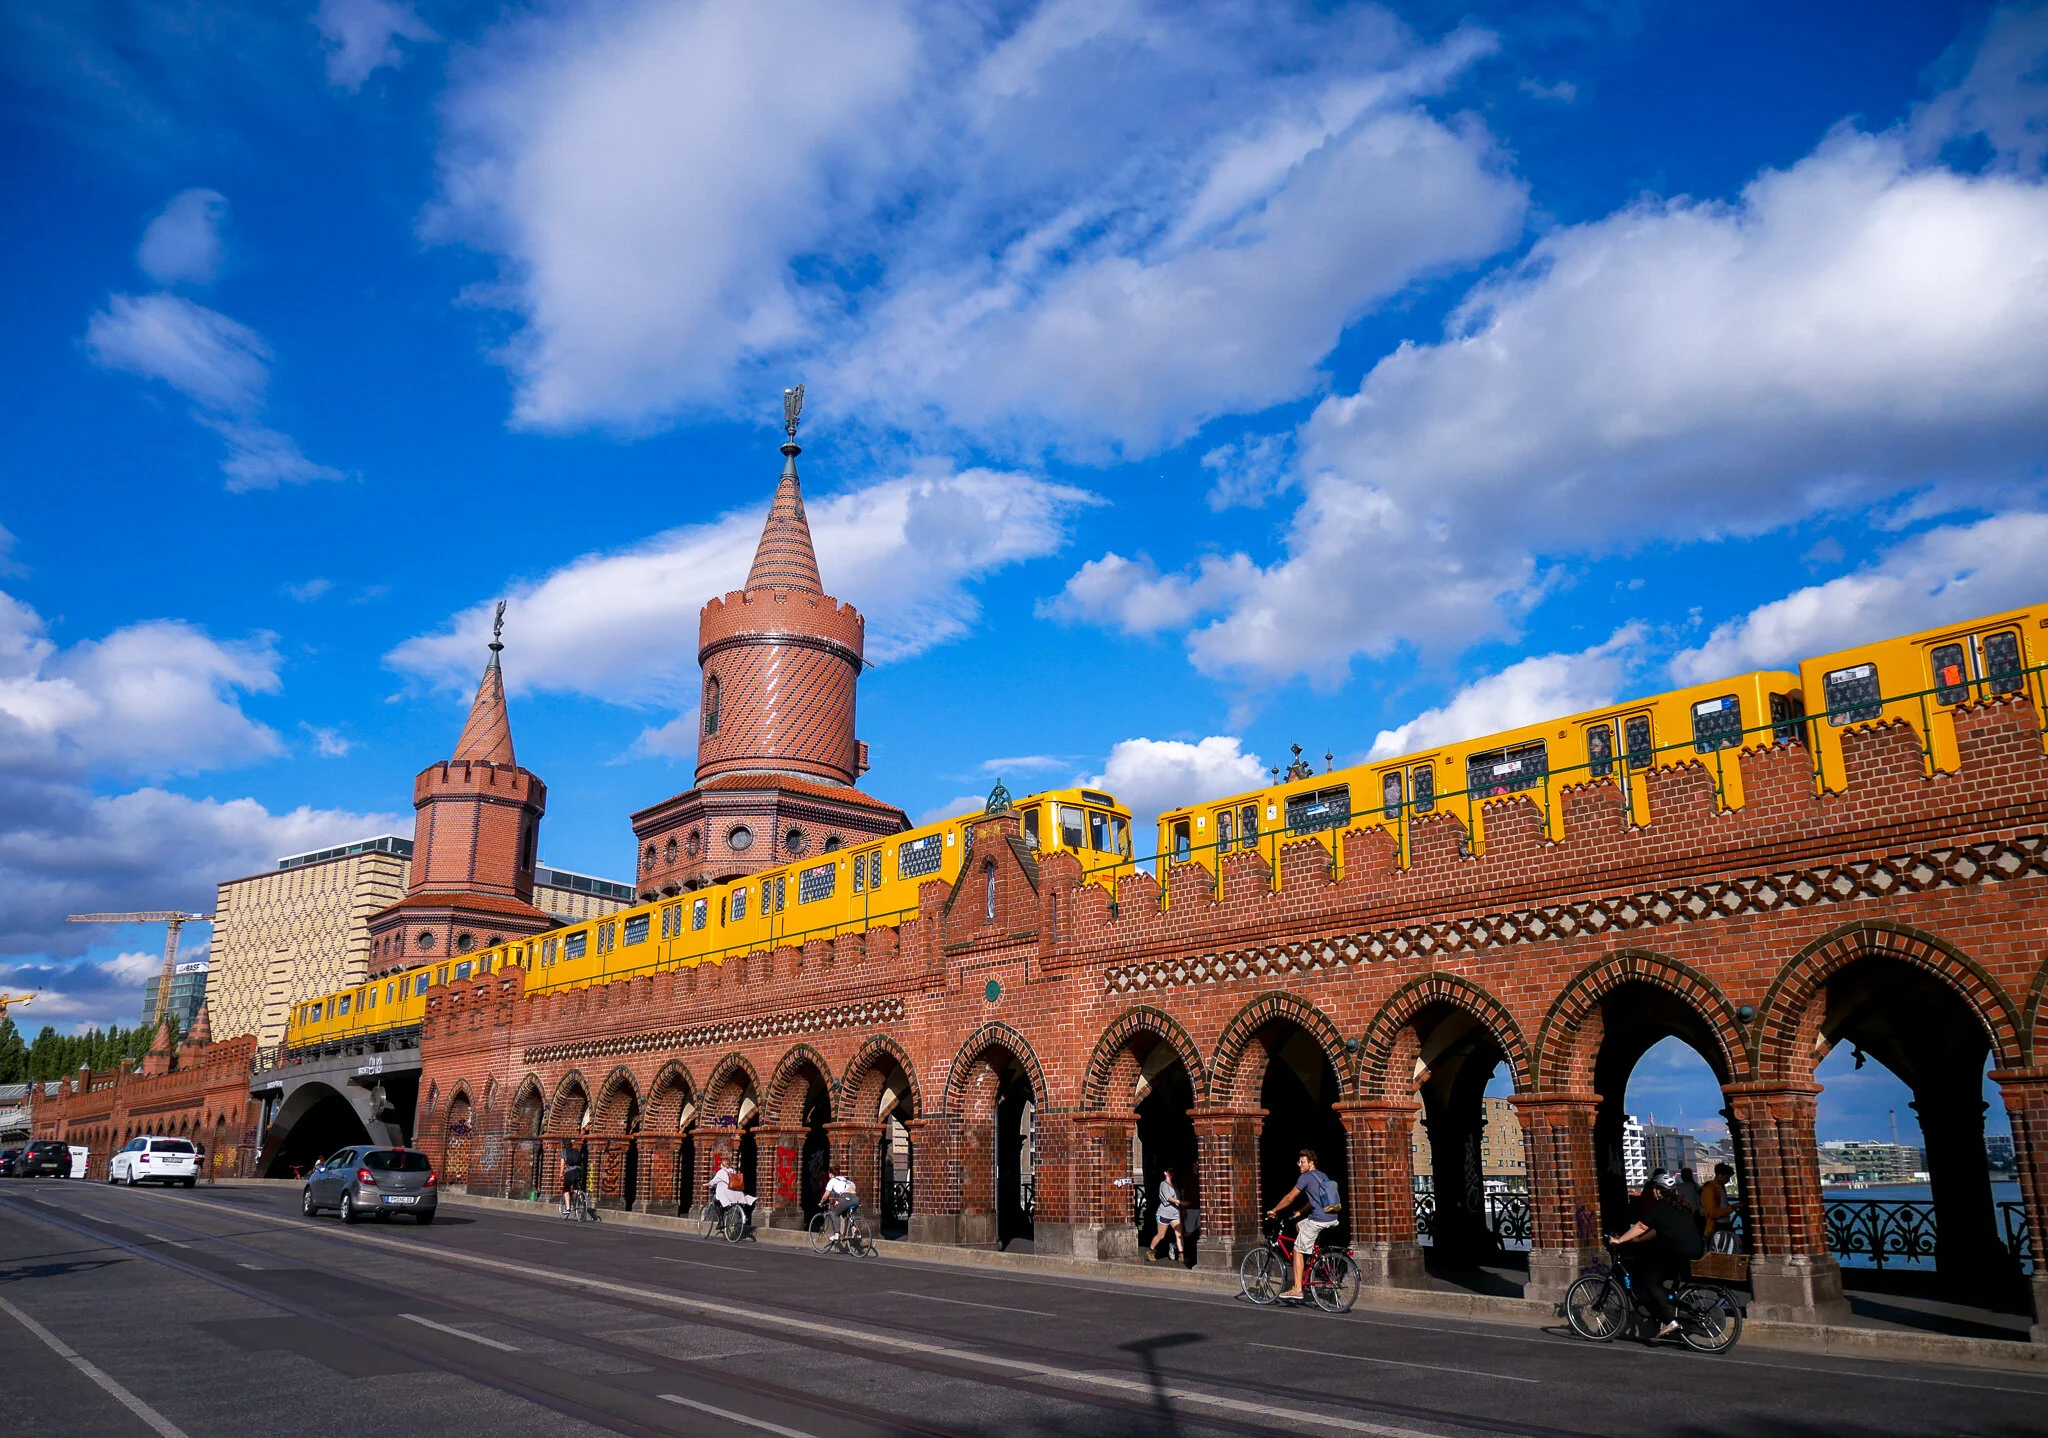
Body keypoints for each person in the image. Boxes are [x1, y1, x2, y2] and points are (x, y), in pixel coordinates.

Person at [1609, 1171, 1707, 1339]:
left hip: (1675, 1252)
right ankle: (1666, 1311)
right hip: (1694, 1251)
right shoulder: (1682, 1205)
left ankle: (1670, 1320)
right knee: (1657, 1273)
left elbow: (1641, 1226)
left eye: (1653, 1189)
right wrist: (1638, 1240)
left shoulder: (1660, 1207)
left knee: (1649, 1280)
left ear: (1656, 1190)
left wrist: (1620, 1240)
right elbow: (1656, 1230)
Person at [1264, 1149, 1341, 1302]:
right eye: (1298, 1162)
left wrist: (1274, 1210)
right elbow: (1315, 1200)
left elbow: (1289, 1197)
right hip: (1331, 1216)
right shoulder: (1322, 1175)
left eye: (1302, 1162)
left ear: (1311, 1163)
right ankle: (1309, 1257)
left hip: (1319, 1219)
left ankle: (1298, 1288)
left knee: (1297, 1250)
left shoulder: (1305, 1177)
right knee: (1300, 1225)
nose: (1299, 1165)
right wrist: (1300, 1212)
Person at [1699, 1162, 1741, 1252]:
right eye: (1727, 1177)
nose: (1728, 1180)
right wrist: (1732, 1208)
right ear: (1719, 1175)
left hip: (1723, 1224)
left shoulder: (1719, 1188)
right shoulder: (1709, 1190)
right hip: (1717, 1226)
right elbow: (1713, 1213)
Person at [709, 1156, 757, 1232]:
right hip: (736, 1193)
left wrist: (705, 1184)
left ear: (722, 1164)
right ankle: (740, 1215)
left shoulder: (721, 1172)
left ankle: (721, 1220)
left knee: (715, 1200)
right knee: (736, 1202)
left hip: (726, 1194)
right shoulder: (733, 1171)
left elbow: (713, 1182)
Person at [1147, 1169, 1184, 1264]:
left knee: (1179, 1235)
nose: (1171, 1173)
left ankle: (1181, 1254)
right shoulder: (1163, 1184)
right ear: (1165, 1173)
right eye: (1169, 1171)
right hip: (1164, 1213)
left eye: (1172, 1171)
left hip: (1175, 1213)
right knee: (1161, 1235)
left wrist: (1182, 1206)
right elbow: (1169, 1198)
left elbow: (1178, 1196)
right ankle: (1151, 1251)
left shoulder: (1174, 1185)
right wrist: (1181, 1202)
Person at [822, 1164, 859, 1242]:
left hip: (846, 1198)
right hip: (855, 1198)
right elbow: (852, 1186)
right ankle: (853, 1228)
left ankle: (836, 1235)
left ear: (831, 1174)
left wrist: (821, 1202)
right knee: (845, 1213)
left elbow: (826, 1194)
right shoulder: (843, 1179)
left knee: (836, 1214)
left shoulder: (832, 1181)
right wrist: (839, 1201)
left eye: (829, 1173)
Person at [560, 1141, 589, 1217]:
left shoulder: (564, 1152)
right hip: (578, 1171)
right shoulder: (576, 1151)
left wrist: (561, 1173)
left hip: (570, 1173)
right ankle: (582, 1200)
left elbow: (562, 1164)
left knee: (566, 1189)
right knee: (576, 1188)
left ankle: (568, 1208)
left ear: (564, 1146)